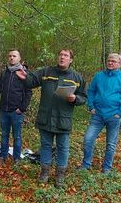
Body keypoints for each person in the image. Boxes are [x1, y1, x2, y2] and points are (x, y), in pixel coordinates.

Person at [16, 49, 86, 188]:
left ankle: (60, 176)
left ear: (71, 60)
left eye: (66, 56)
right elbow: (32, 81)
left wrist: (75, 98)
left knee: (63, 148)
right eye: (60, 55)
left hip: (63, 120)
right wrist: (24, 77)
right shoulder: (46, 72)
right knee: (46, 147)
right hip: (46, 118)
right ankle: (44, 173)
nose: (62, 57)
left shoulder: (77, 78)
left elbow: (84, 97)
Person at [80, 53, 121, 174]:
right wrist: (91, 106)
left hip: (114, 117)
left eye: (113, 61)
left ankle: (107, 168)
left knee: (110, 144)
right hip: (97, 115)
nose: (110, 63)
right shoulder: (99, 76)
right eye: (109, 60)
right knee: (88, 139)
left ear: (119, 64)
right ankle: (86, 164)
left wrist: (120, 113)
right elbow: (91, 91)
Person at [0, 49, 32, 165]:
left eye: (14, 56)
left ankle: (16, 159)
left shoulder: (23, 73)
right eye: (10, 56)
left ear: (19, 58)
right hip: (4, 110)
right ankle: (2, 157)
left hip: (16, 112)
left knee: (17, 137)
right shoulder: (5, 72)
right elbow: (0, 89)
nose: (12, 58)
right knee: (4, 135)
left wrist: (22, 108)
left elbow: (29, 92)